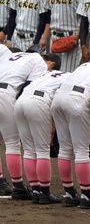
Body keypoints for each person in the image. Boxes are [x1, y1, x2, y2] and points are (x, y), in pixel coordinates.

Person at [51, 61, 90, 208]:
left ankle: (69, 194)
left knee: (65, 148)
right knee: (81, 150)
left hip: (58, 97)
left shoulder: (85, 65)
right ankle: (87, 196)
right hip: (77, 98)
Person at [0, 52, 56, 200]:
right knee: (12, 143)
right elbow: (29, 87)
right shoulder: (38, 59)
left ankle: (3, 183)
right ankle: (18, 188)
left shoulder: (9, 57)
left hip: (4, 90)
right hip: (5, 94)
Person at [14, 54, 68, 204]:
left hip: (20, 102)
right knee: (42, 150)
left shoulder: (42, 74)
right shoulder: (68, 76)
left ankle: (36, 191)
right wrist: (53, 127)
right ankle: (45, 193)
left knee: (29, 150)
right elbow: (58, 105)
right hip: (38, 102)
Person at [45, 0, 86, 72]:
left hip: (70, 39)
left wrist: (76, 38)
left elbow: (84, 16)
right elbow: (48, 16)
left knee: (67, 74)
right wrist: (44, 38)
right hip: (54, 39)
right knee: (52, 74)